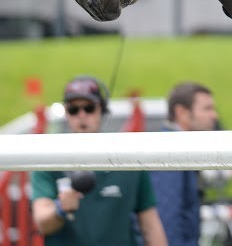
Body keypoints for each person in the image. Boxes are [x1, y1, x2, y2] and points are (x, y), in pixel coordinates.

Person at [31, 75, 167, 246]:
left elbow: (150, 224)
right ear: (66, 113)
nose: (81, 115)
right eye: (73, 109)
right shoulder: (47, 159)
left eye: (89, 108)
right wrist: (60, 209)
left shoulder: (130, 158)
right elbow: (42, 223)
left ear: (102, 110)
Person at [150, 82, 219, 246]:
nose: (214, 115)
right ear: (181, 112)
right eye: (207, 109)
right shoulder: (169, 152)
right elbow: (167, 220)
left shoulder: (174, 147)